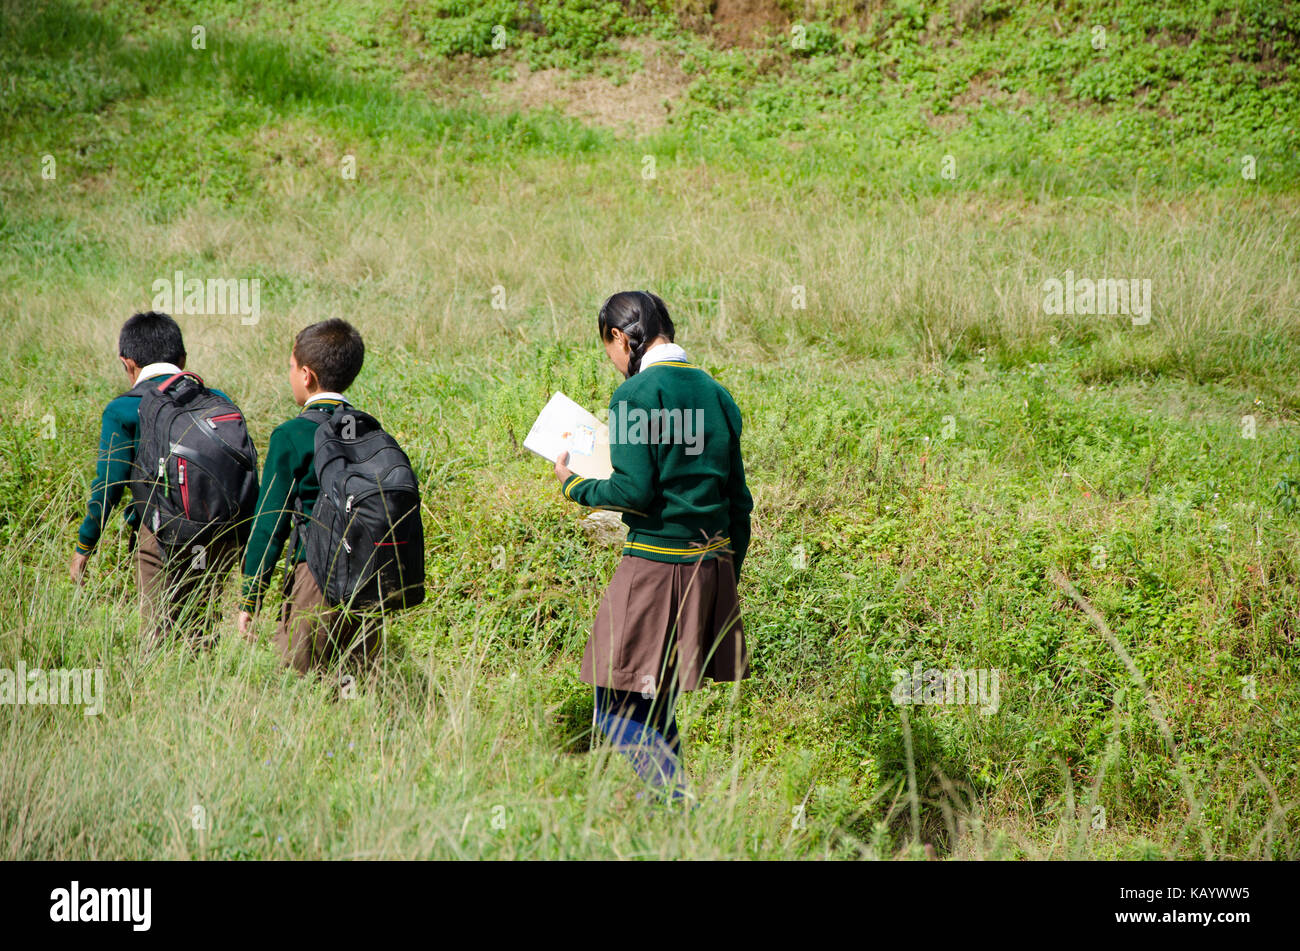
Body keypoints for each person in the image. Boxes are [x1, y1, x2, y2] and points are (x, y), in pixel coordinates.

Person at [554, 290, 753, 801]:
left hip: (654, 566)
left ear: (620, 338)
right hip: (713, 564)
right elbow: (739, 504)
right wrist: (724, 573)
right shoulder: (717, 393)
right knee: (652, 701)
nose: (615, 362)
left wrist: (574, 484)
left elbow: (634, 492)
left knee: (617, 706)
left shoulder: (636, 396)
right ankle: (678, 823)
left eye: (610, 349)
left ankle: (679, 809)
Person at [69, 311, 245, 645]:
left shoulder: (123, 409)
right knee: (201, 632)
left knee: (158, 636)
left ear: (127, 363)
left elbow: (110, 485)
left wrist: (84, 545)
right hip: (218, 532)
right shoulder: (219, 401)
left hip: (159, 535)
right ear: (182, 359)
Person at [236, 318, 381, 675]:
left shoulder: (293, 434)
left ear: (307, 375)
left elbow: (269, 523)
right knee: (353, 687)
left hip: (314, 576)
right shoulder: (370, 428)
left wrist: (250, 599)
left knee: (300, 684)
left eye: (290, 367)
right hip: (369, 577)